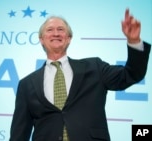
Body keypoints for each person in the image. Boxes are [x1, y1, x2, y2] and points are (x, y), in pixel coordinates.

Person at [9, 9, 151, 141]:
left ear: (69, 38)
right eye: (50, 30)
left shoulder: (95, 67)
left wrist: (134, 42)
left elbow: (131, 74)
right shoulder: (26, 84)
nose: (56, 33)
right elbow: (19, 133)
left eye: (61, 29)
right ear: (41, 39)